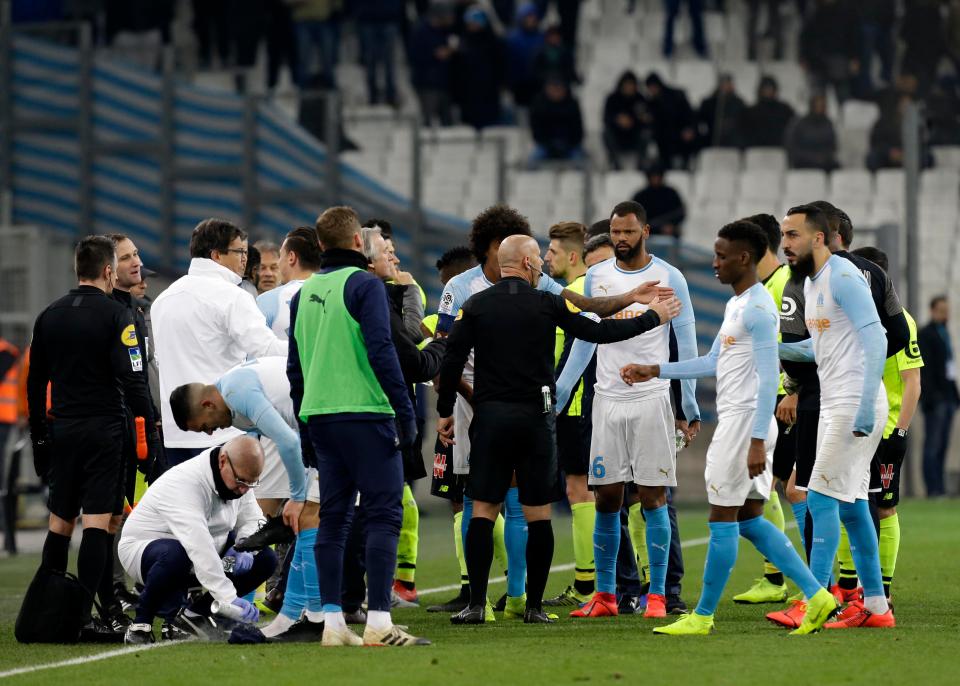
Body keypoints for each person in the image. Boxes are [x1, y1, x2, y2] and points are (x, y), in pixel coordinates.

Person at [435, 204, 679, 621]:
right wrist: (652, 318)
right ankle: (532, 606)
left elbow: (451, 361)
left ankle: (476, 604)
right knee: (537, 514)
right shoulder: (547, 304)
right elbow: (599, 332)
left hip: (489, 418)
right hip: (535, 419)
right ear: (530, 264)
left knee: (482, 509)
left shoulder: (475, 306)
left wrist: (444, 412)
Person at [623, 220, 836, 636]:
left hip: (743, 426)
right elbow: (712, 362)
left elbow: (763, 378)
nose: (715, 263)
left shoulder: (757, 309)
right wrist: (656, 370)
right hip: (743, 425)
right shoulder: (738, 304)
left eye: (722, 256)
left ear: (744, 258)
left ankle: (701, 616)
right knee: (750, 520)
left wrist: (756, 440)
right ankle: (817, 594)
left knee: (721, 519)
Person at [288, 206, 428, 647]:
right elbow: (383, 350)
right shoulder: (365, 285)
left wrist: (304, 426)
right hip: (367, 413)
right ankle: (380, 624)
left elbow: (295, 370)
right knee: (385, 514)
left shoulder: (301, 296)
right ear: (356, 243)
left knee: (333, 519)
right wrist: (406, 412)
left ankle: (333, 624)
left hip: (320, 418)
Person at [556, 200, 701, 620]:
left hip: (652, 400)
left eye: (628, 232)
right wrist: (563, 390)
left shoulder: (669, 277)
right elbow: (585, 338)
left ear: (645, 231)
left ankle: (658, 596)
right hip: (607, 399)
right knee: (607, 497)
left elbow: (685, 339)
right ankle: (605, 597)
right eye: (615, 232)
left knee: (653, 497)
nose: (620, 239)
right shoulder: (596, 277)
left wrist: (687, 399)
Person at [27, 236, 161, 639]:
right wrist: (150, 431)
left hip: (62, 430)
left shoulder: (49, 315)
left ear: (76, 269)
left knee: (60, 523)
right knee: (100, 525)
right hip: (104, 432)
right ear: (107, 272)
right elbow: (134, 381)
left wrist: (39, 439)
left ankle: (45, 612)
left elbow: (35, 385)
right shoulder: (116, 316)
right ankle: (84, 617)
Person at [776, 204, 895, 629]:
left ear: (819, 238)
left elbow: (877, 338)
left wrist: (864, 405)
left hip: (853, 402)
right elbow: (821, 348)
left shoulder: (843, 275)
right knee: (853, 507)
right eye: (783, 235)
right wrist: (773, 350)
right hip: (835, 401)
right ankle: (877, 609)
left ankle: (815, 600)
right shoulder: (813, 283)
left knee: (819, 495)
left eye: (792, 235)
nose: (784, 243)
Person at [168, 356, 324, 641]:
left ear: (207, 405)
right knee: (271, 521)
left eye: (205, 427)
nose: (211, 432)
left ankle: (316, 619)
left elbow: (289, 442)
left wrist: (298, 496)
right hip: (309, 427)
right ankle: (270, 613)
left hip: (328, 418)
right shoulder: (231, 398)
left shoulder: (237, 392)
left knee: (308, 516)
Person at [152, 219, 285, 466]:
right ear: (216, 255)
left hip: (176, 432)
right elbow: (267, 350)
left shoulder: (163, 299)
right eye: (240, 252)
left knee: (188, 504)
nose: (246, 259)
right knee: (234, 504)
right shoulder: (232, 296)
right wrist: (309, 351)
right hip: (223, 429)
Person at [119, 435, 276, 644]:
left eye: (250, 483)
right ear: (222, 462)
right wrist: (228, 598)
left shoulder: (240, 477)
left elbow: (253, 518)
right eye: (241, 482)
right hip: (146, 548)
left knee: (265, 558)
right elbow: (198, 546)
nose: (244, 489)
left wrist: (244, 546)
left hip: (199, 548)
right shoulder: (186, 483)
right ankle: (140, 623)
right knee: (178, 554)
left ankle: (193, 616)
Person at [362, 225, 447, 607]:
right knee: (383, 509)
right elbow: (411, 348)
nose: (395, 258)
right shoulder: (376, 295)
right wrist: (441, 345)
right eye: (387, 251)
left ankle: (372, 591)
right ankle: (375, 597)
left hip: (374, 411)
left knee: (381, 505)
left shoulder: (345, 292)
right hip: (379, 413)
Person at [843, 246, 922, 604]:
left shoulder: (899, 321)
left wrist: (901, 432)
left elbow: (912, 382)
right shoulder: (851, 320)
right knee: (847, 501)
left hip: (886, 430)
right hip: (853, 427)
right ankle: (847, 588)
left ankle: (882, 592)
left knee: (885, 507)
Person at [732, 213, 794, 605]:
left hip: (786, 399)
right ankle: (778, 577)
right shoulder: (762, 287)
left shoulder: (785, 284)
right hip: (765, 398)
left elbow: (799, 342)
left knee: (788, 488)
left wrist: (794, 390)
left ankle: (792, 579)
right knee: (771, 488)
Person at [425, 246, 489, 615]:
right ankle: (478, 588)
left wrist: (453, 399)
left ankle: (476, 590)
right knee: (462, 496)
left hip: (466, 405)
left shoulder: (463, 295)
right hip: (469, 403)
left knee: (470, 497)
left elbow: (446, 356)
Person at [542, 222, 593, 605]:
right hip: (589, 403)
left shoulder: (573, 295)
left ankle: (586, 585)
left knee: (580, 490)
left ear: (573, 256)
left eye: (553, 252)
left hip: (573, 405)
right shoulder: (596, 290)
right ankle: (636, 581)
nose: (547, 258)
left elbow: (571, 358)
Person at [918, 295, 958, 497]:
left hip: (949, 398)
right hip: (936, 400)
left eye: (947, 310)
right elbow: (924, 370)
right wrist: (931, 397)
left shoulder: (945, 333)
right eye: (941, 310)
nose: (945, 314)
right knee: (932, 445)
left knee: (943, 444)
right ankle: (932, 488)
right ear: (933, 310)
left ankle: (940, 487)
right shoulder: (925, 334)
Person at [452, 6, 506, 130]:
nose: (473, 26)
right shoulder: (462, 42)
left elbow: (500, 65)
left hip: (489, 90)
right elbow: (456, 69)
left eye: (476, 23)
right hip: (468, 92)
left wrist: (501, 82)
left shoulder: (494, 42)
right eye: (470, 23)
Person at [798, 0, 860, 103]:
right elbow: (805, 36)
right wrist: (803, 56)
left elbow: (854, 36)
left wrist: (855, 58)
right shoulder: (813, 11)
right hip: (816, 60)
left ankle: (844, 118)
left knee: (844, 99)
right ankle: (818, 118)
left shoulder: (846, 10)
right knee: (817, 98)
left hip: (839, 58)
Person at [409, 3, 456, 127]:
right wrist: (435, 54)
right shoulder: (421, 31)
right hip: (426, 84)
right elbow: (414, 56)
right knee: (428, 120)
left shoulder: (446, 31)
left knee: (448, 121)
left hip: (445, 83)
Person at [355, 0, 403, 106]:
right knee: (370, 61)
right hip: (367, 19)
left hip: (389, 18)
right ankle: (372, 95)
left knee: (389, 61)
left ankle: (391, 95)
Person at [644, 72, 696, 169]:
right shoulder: (651, 103)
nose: (652, 90)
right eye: (650, 88)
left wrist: (689, 128)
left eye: (653, 86)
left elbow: (689, 114)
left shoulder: (677, 95)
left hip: (680, 134)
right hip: (663, 138)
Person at [528, 78, 585, 167]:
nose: (556, 92)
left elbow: (578, 130)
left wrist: (567, 144)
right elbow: (536, 130)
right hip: (545, 146)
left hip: (570, 146)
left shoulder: (572, 105)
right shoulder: (539, 105)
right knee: (533, 161)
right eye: (553, 89)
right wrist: (549, 145)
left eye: (559, 89)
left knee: (579, 160)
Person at [603, 70, 652, 170]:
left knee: (646, 134)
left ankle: (641, 164)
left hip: (634, 135)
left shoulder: (640, 98)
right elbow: (606, 118)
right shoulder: (613, 99)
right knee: (606, 133)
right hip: (618, 135)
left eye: (632, 84)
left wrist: (634, 121)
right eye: (627, 84)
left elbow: (646, 118)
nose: (629, 87)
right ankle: (615, 163)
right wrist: (618, 120)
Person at [738, 76, 795, 148]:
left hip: (779, 149)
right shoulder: (750, 112)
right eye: (765, 88)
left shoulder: (785, 110)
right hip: (756, 150)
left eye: (770, 88)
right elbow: (744, 134)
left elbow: (791, 131)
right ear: (760, 90)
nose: (768, 91)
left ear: (775, 90)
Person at [505, 2, 544, 107]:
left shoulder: (542, 37)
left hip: (537, 83)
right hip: (518, 83)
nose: (530, 20)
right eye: (528, 17)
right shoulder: (512, 38)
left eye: (533, 17)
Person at [785, 94, 838, 170]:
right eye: (818, 106)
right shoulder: (800, 124)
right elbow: (793, 147)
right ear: (812, 106)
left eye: (822, 106)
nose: (820, 108)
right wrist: (812, 157)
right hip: (803, 162)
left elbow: (832, 146)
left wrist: (824, 157)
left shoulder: (828, 124)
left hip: (824, 163)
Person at [632, 166, 685, 237]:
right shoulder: (640, 196)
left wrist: (671, 225)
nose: (655, 179)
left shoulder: (671, 193)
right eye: (653, 176)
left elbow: (680, 212)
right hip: (646, 236)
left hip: (669, 235)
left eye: (658, 176)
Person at [697, 73, 746, 148]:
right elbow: (702, 122)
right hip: (712, 141)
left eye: (728, 83)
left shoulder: (739, 103)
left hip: (733, 143)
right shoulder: (708, 103)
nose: (726, 86)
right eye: (724, 83)